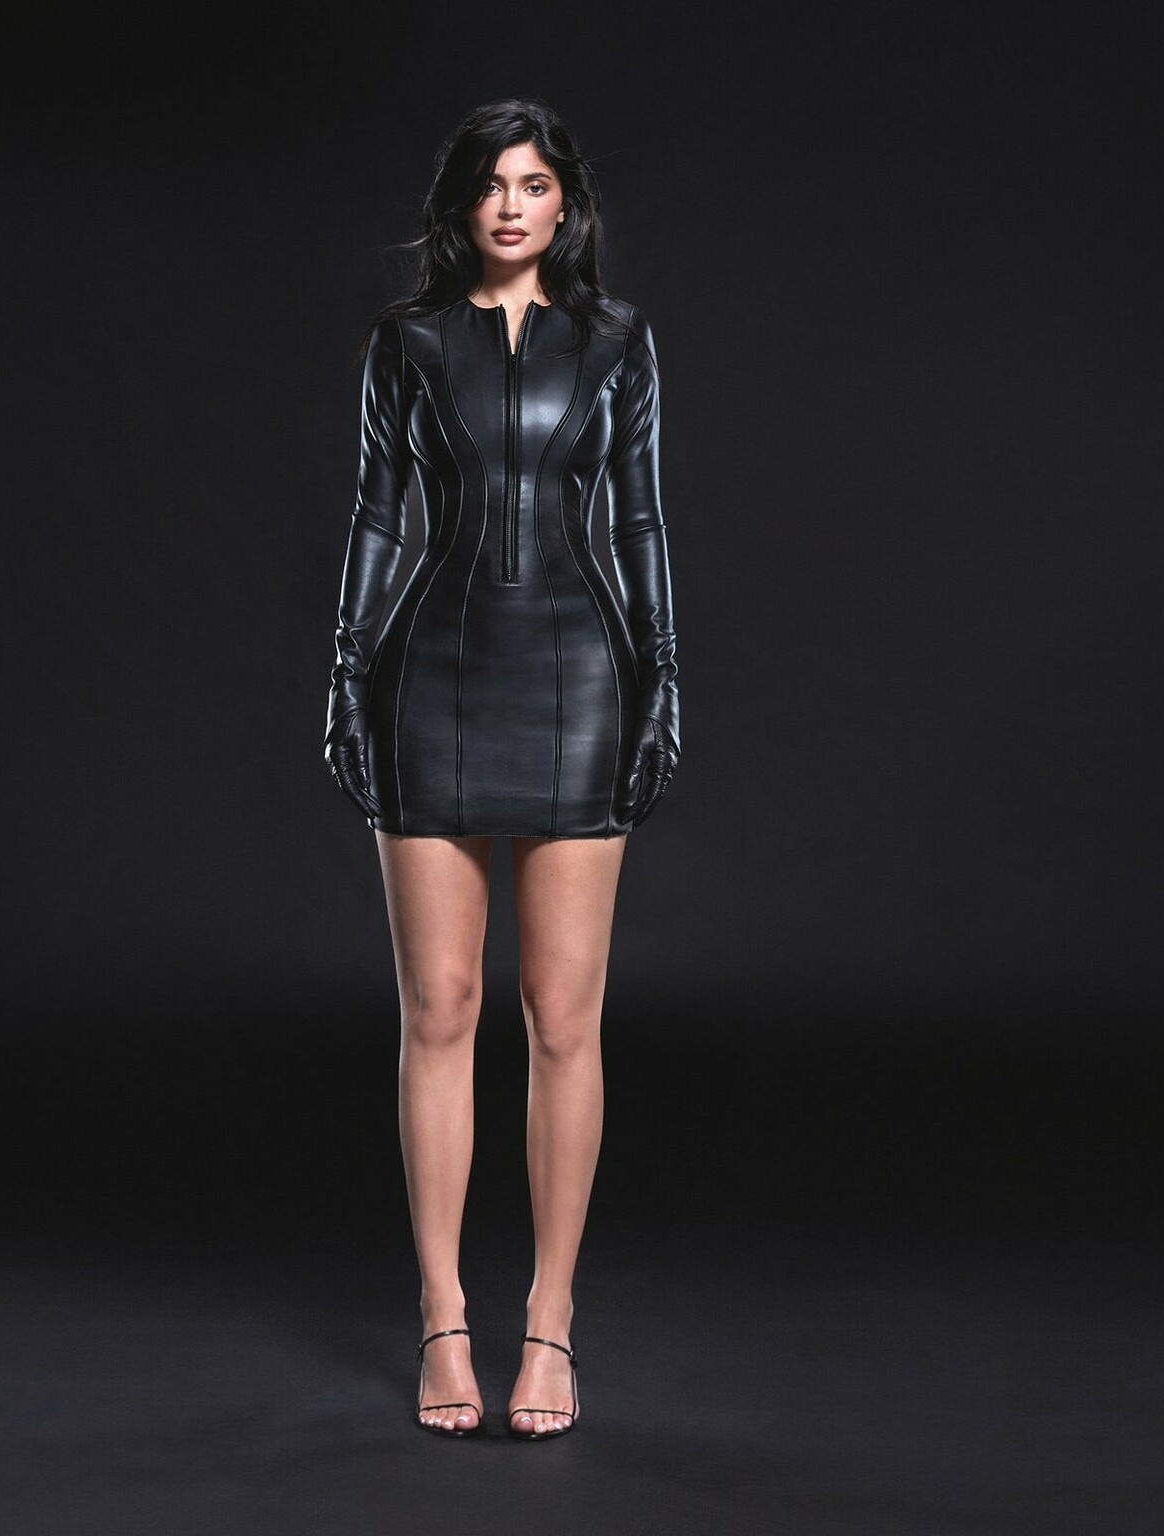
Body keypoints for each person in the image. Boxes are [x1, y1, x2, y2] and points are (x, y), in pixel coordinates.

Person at [323, 98, 682, 1440]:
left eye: (534, 183)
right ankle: (441, 1315)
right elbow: (377, 512)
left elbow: (640, 520)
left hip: (581, 674)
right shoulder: (408, 340)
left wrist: (663, 676)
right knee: (440, 1005)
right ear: (463, 204)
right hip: (431, 673)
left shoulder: (619, 340)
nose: (513, 205)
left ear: (565, 202)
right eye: (492, 184)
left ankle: (550, 1323)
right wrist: (345, 670)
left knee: (562, 1015)